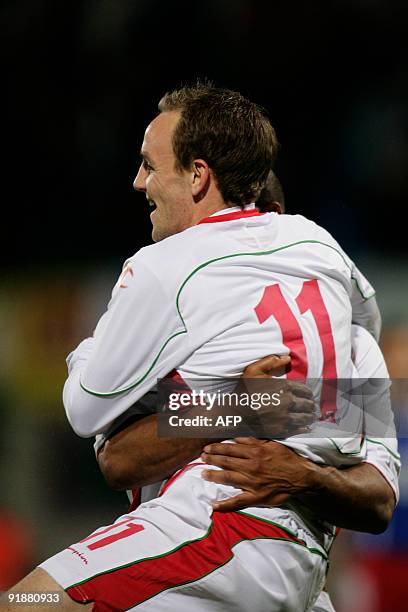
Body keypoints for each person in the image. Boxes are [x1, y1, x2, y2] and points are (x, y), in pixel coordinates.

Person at [1, 83, 394, 611]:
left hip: (215, 536)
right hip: (293, 573)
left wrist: (302, 471)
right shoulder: (339, 312)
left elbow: (379, 500)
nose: (139, 181)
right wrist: (239, 405)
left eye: (148, 165)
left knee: (26, 605)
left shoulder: (174, 269)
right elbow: (118, 463)